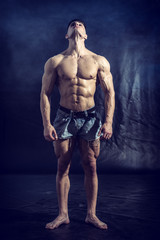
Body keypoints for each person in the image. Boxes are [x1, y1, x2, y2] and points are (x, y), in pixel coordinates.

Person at [40, 19, 115, 230]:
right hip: (64, 118)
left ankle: (91, 215)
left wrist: (108, 122)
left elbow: (109, 93)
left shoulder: (99, 61)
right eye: (73, 24)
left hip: (90, 118)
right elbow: (44, 94)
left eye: (80, 24)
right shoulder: (55, 61)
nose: (77, 25)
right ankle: (63, 214)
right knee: (62, 165)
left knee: (91, 165)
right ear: (67, 35)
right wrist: (47, 124)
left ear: (86, 34)